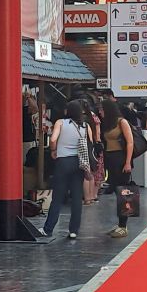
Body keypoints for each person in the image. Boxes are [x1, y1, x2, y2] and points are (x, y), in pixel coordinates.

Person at [42, 100, 90, 239]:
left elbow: (53, 139)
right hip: (79, 162)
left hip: (63, 162)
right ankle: (74, 230)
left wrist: (53, 150)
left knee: (57, 197)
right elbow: (91, 142)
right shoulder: (85, 126)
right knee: (76, 197)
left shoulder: (61, 123)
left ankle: (48, 229)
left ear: (67, 111)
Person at [100, 100, 134, 237]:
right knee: (116, 190)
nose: (101, 112)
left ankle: (123, 225)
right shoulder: (107, 123)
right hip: (110, 159)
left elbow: (130, 142)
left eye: (102, 110)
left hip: (121, 158)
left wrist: (128, 162)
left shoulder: (122, 122)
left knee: (123, 192)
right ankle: (120, 223)